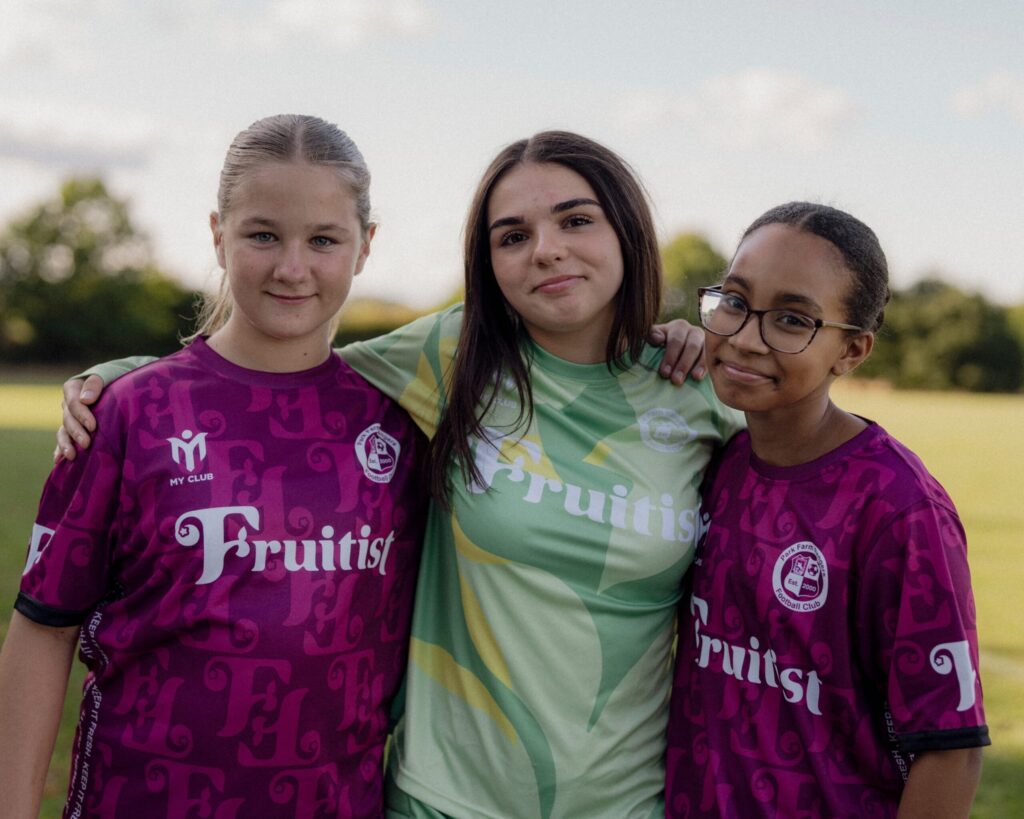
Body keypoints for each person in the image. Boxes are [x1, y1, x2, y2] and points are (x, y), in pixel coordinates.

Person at [56, 130, 740, 817]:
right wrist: (121, 381)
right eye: (511, 235)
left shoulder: (698, 388)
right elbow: (280, 369)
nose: (547, 248)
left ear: (627, 227)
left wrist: (680, 332)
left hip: (627, 803)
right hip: (444, 797)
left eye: (576, 220)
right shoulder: (452, 351)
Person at [0, 114, 428, 818]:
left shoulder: (401, 428)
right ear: (217, 233)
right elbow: (45, 629)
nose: (293, 267)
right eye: (263, 234)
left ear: (365, 246)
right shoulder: (125, 413)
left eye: (324, 239)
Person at [665, 202, 989, 818]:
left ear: (853, 351)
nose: (745, 335)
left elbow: (950, 750)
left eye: (792, 320)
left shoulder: (898, 508)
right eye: (734, 301)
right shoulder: (717, 463)